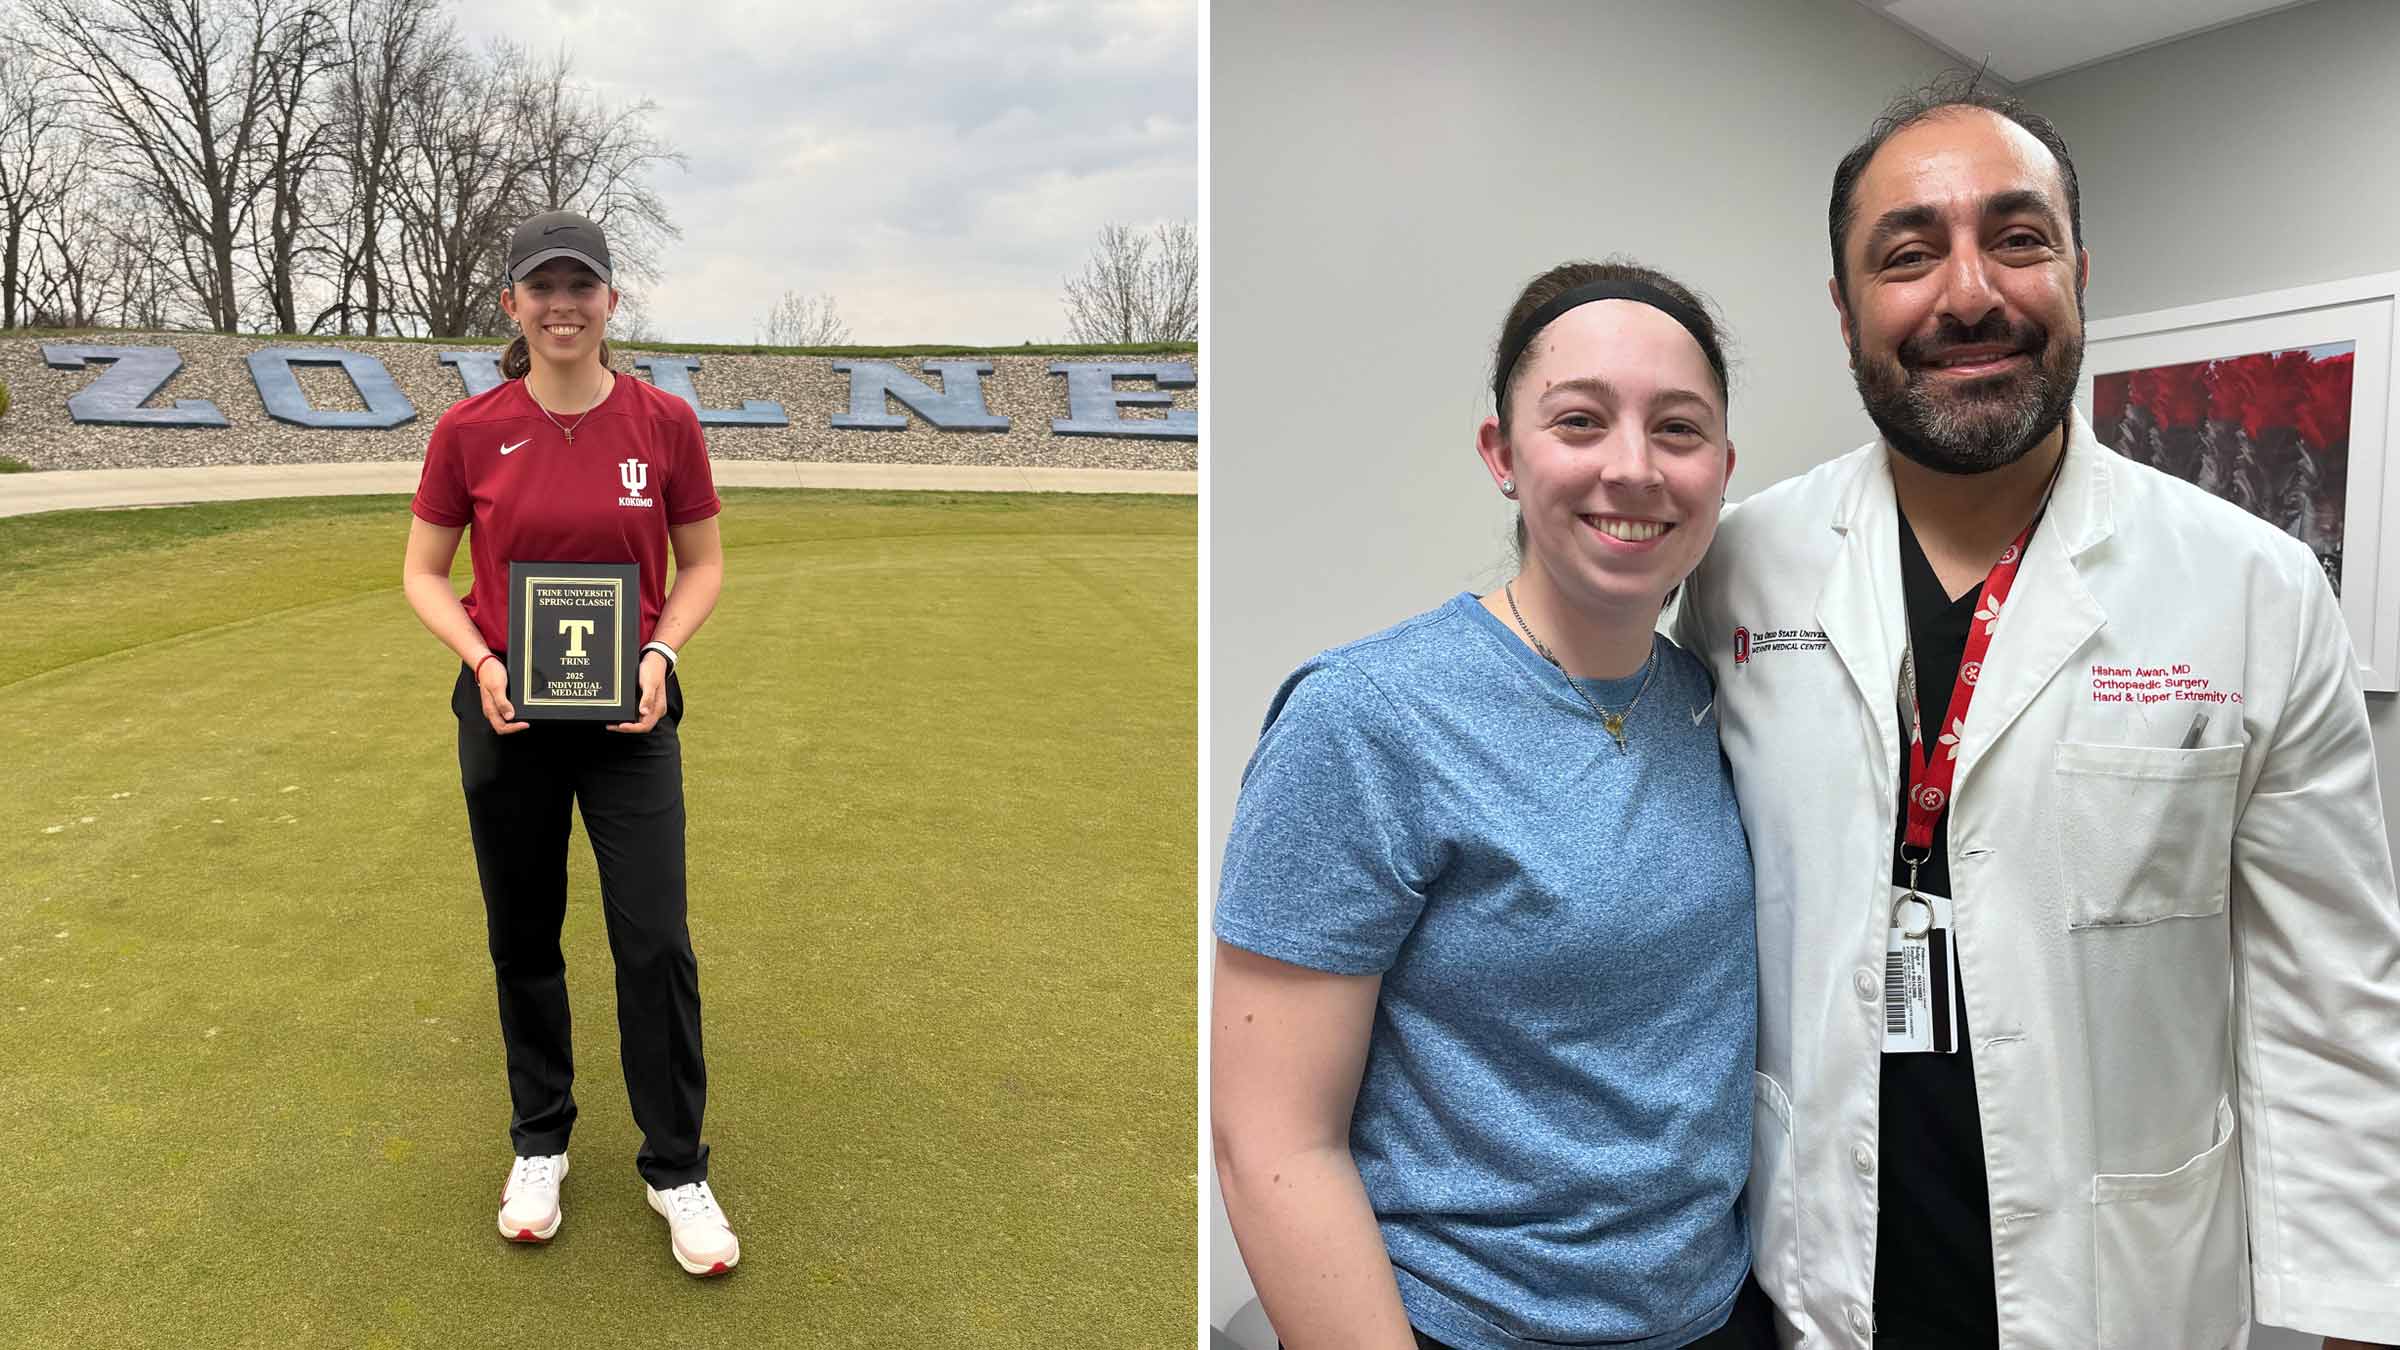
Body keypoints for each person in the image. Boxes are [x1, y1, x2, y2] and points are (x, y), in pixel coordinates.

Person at [1674, 76, 2400, 1349]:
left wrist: (2356, 1325)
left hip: (2124, 1289)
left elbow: (2329, 997)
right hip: (1815, 1273)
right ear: (1845, 313)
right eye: (1909, 255)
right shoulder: (1742, 565)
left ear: (2078, 269)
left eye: (2018, 239)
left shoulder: (2255, 587)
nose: (1968, 293)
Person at [1212, 260, 1776, 1350]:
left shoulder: (1708, 699)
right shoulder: (1367, 719)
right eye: (1578, 421)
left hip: (1713, 1315)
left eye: (1677, 429)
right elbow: (1271, 1142)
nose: (1632, 468)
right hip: (1462, 1326)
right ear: (1501, 456)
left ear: (1721, 470)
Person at [401, 209, 740, 1277]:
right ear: (510, 304)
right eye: (541, 288)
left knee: (654, 941)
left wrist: (662, 656)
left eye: (581, 286)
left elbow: (702, 567)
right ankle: (539, 1141)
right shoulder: (467, 431)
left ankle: (676, 1166)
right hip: (508, 719)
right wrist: (483, 661)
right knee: (525, 935)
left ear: (610, 303)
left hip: (631, 720)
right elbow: (422, 573)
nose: (562, 304)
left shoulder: (663, 423)